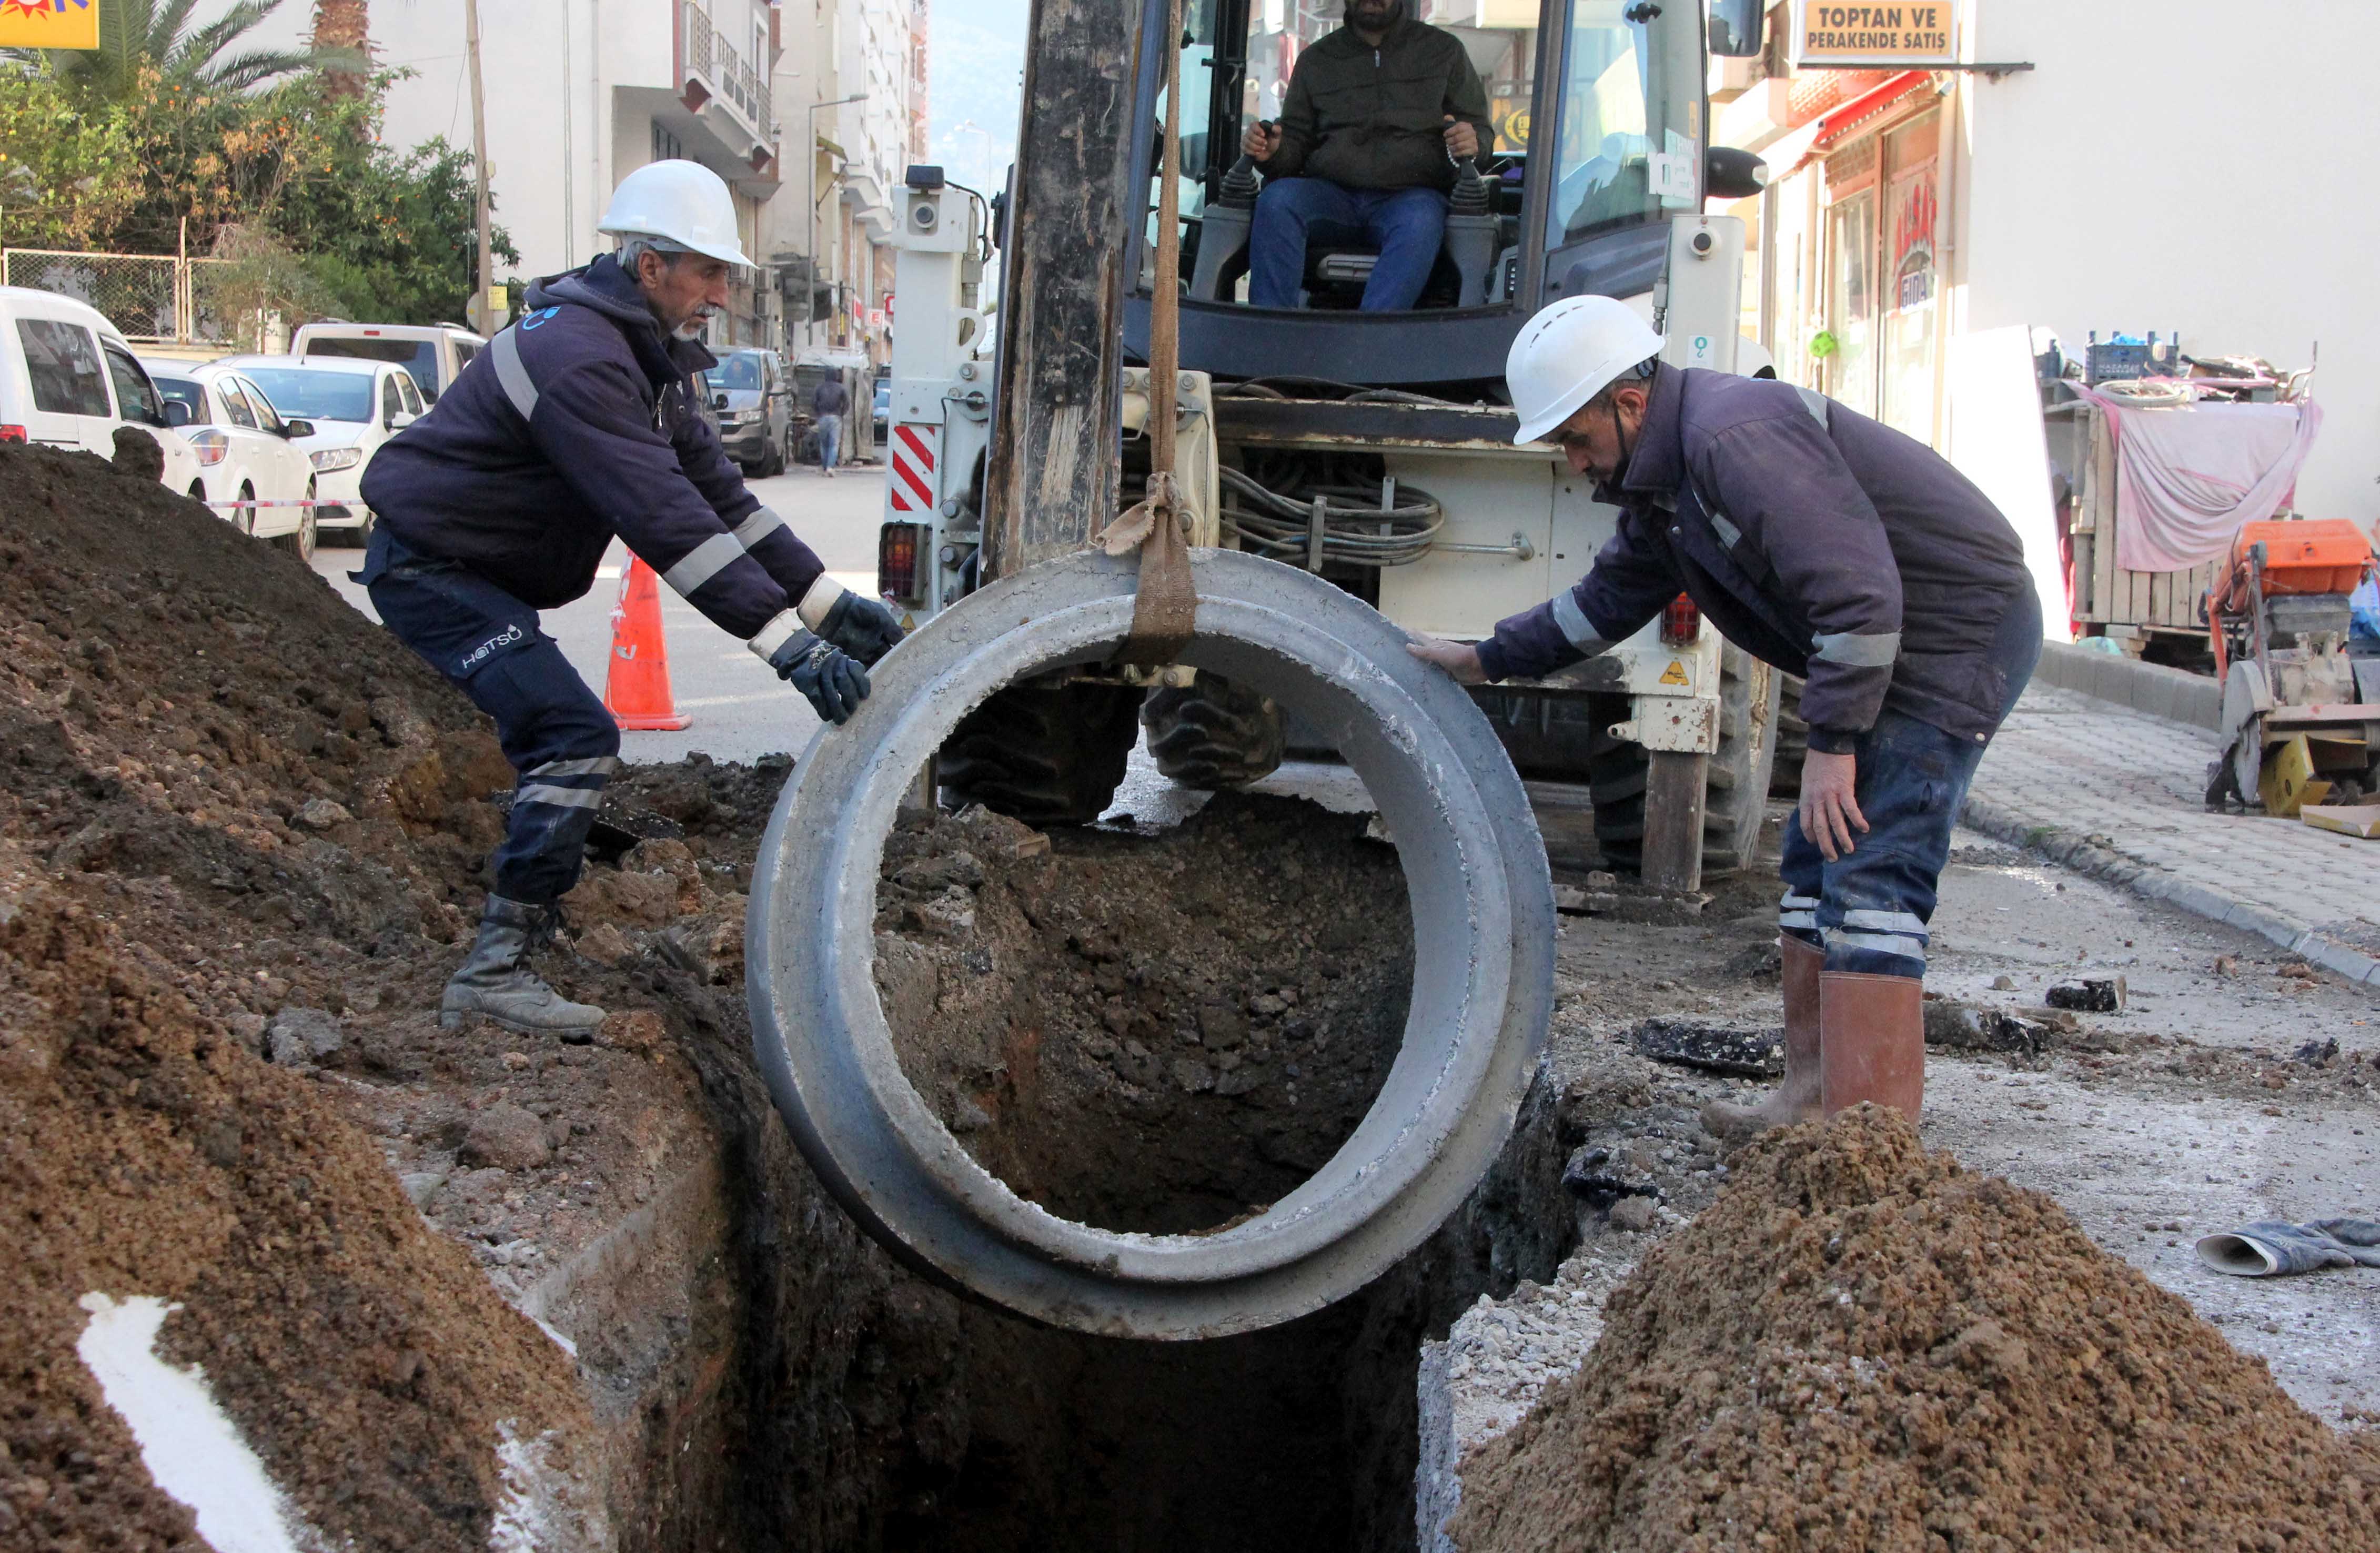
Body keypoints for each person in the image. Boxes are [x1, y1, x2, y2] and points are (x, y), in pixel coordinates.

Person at [1409, 297, 2043, 1139]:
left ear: (1628, 404)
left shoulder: (1731, 439)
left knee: (1873, 867)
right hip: (1889, 641)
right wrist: (1484, 658)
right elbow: (1606, 603)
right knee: (1815, 861)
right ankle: (1809, 1106)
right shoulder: (1668, 484)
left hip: (1952, 641)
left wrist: (1831, 746)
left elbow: (1858, 596)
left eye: (1575, 438)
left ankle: (1871, 1156)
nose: (1573, 462)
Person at [355, 159, 904, 1037]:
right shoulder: (577, 358)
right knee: (573, 734)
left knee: (557, 732)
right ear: (650, 266)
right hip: (432, 571)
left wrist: (821, 603)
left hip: (477, 571)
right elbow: (660, 516)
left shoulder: (641, 356)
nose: (721, 293)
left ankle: (525, 894)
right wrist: (785, 647)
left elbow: (719, 495)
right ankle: (494, 970)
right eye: (708, 272)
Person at [1242, 0, 1490, 312]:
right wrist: (1273, 152)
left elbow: (1480, 132)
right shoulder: (1316, 60)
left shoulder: (1444, 51)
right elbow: (1294, 143)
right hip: (1331, 195)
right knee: (1277, 202)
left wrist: (1473, 141)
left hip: (1410, 197)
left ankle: (1370, 335)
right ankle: (1270, 328)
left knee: (1422, 220)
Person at [812, 372, 849, 476]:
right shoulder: (841, 388)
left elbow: (813, 402)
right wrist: (841, 413)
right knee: (834, 444)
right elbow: (847, 403)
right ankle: (830, 467)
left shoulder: (819, 388)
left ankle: (825, 467)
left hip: (822, 417)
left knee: (824, 444)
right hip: (836, 417)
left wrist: (818, 413)